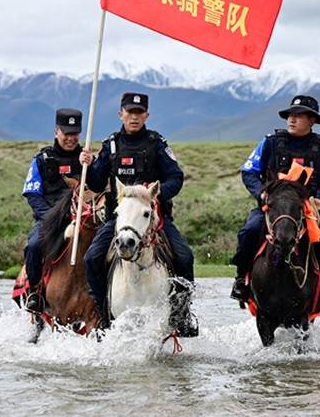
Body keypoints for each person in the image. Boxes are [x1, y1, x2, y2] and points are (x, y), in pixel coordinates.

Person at [80, 92, 198, 337]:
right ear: (120, 114)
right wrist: (88, 165)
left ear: (146, 115)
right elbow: (96, 180)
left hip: (152, 217)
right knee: (92, 258)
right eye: (129, 112)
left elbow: (175, 177)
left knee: (185, 257)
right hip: (120, 218)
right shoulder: (111, 144)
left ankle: (181, 314)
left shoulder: (157, 143)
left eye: (139, 113)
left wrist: (155, 195)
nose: (134, 117)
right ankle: (103, 313)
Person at [229, 95, 320, 313]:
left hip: (306, 210)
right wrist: (261, 194)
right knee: (250, 230)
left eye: (299, 116)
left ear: (312, 120)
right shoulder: (270, 143)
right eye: (290, 116)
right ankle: (241, 280)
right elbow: (249, 172)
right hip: (272, 207)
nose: (292, 120)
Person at [20, 108, 84, 313]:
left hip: (82, 218)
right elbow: (32, 193)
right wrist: (52, 217)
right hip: (49, 219)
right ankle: (34, 292)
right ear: (57, 131)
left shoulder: (87, 159)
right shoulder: (42, 159)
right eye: (66, 133)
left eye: (74, 134)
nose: (70, 138)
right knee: (33, 246)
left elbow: (98, 189)